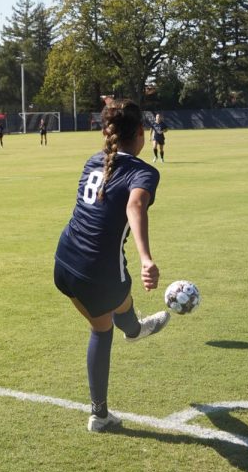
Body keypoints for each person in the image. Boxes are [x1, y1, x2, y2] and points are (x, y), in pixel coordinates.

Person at [54, 98, 169, 432]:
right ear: (140, 133)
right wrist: (146, 258)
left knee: (104, 321)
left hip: (64, 262)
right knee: (113, 315)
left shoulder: (93, 160)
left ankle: (101, 411)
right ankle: (134, 332)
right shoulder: (144, 170)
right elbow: (136, 205)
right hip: (96, 269)